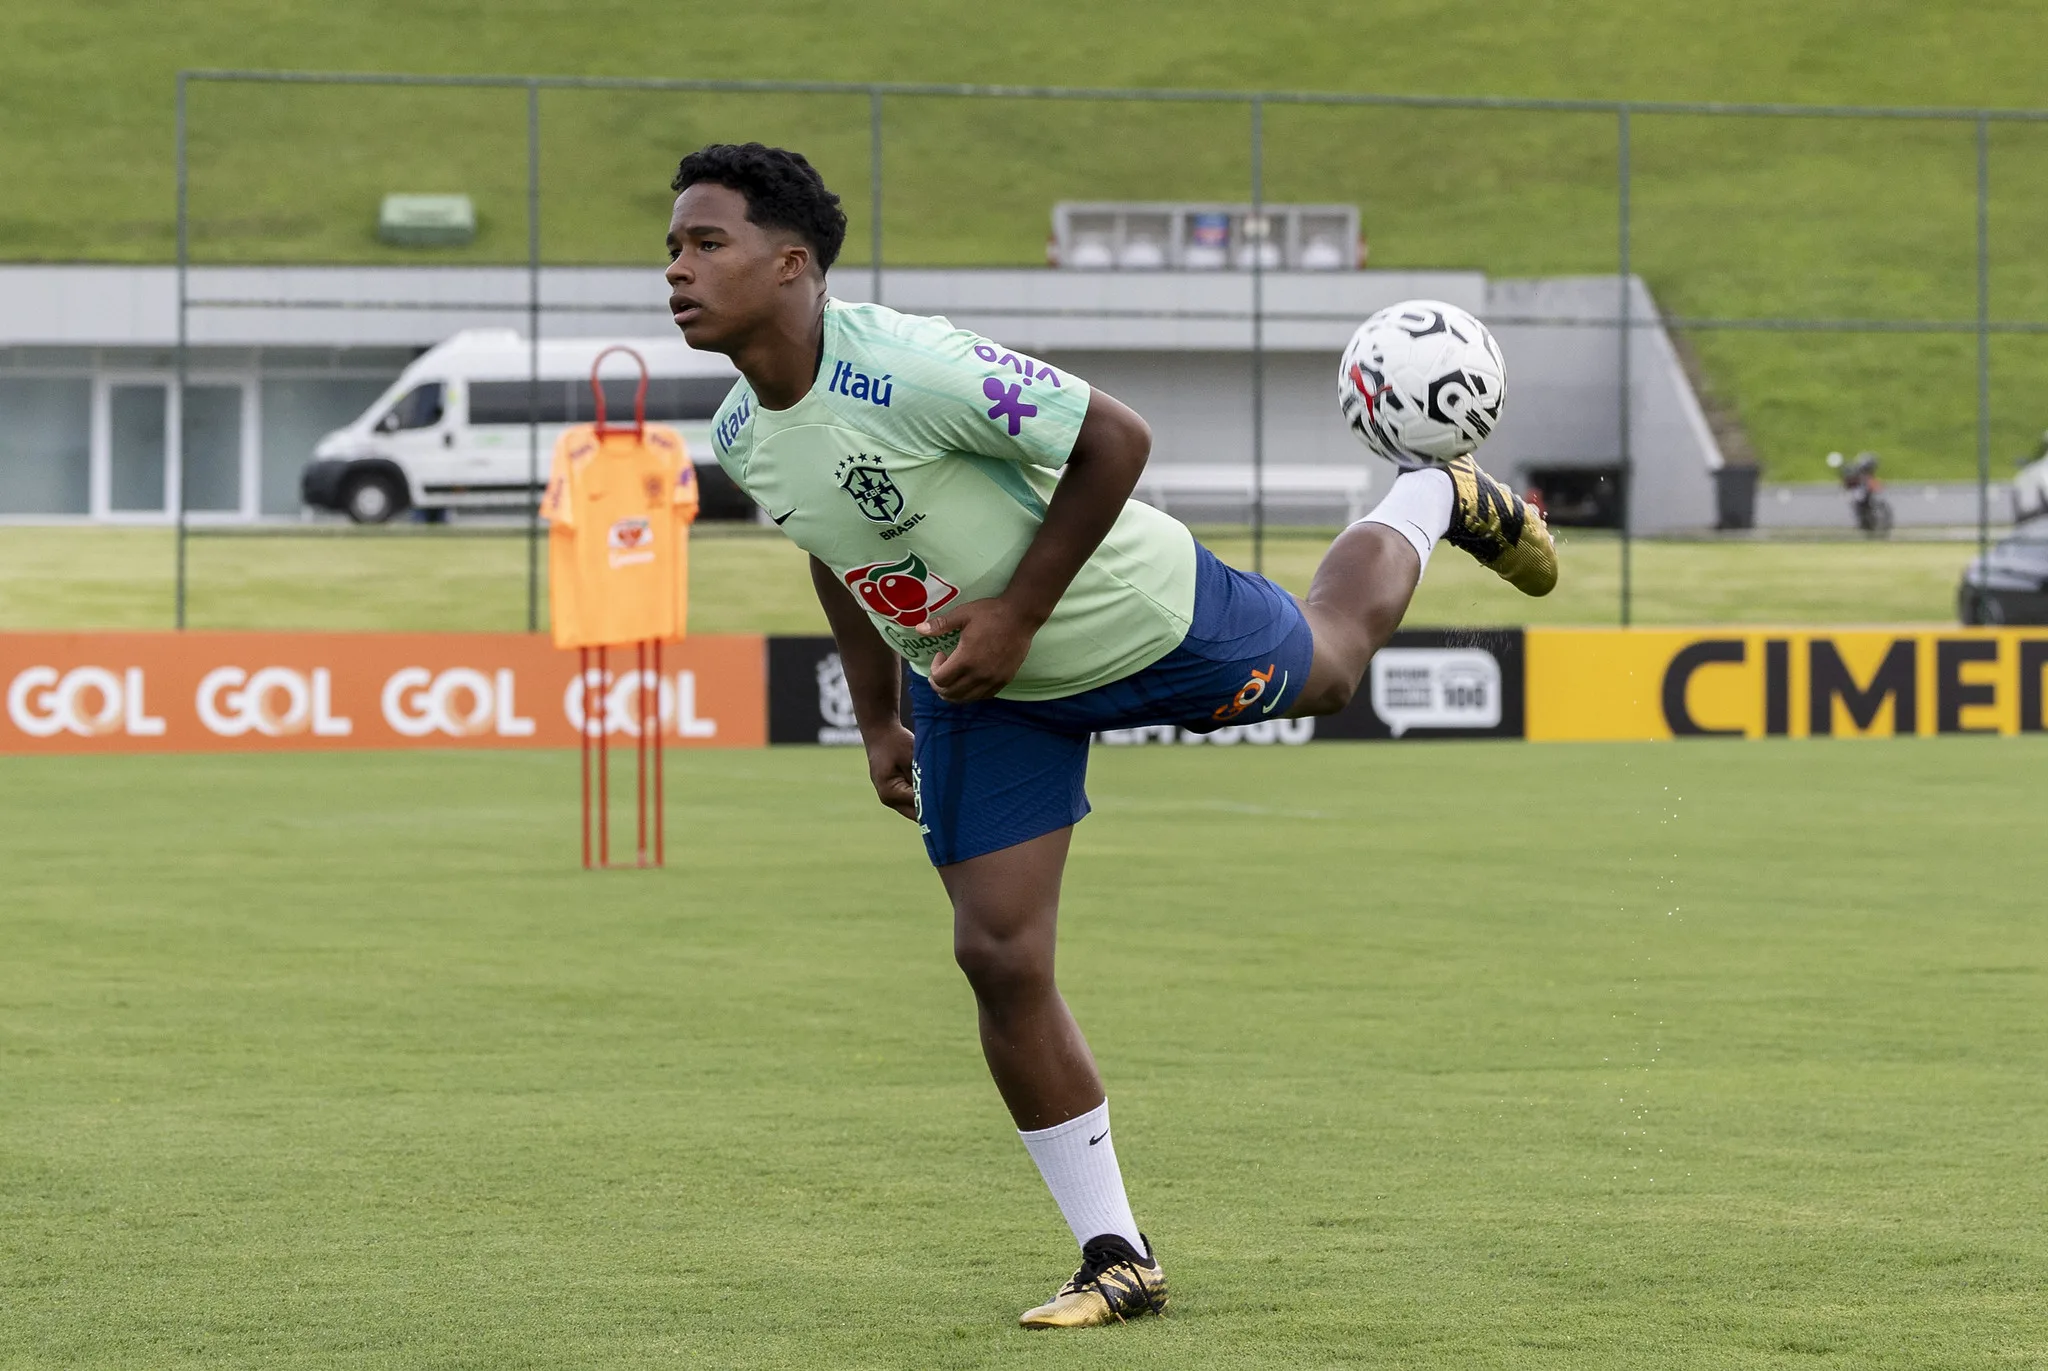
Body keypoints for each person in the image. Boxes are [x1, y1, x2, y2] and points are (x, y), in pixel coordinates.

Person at [664, 142, 1557, 1329]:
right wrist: (877, 714)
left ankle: (1434, 494)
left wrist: (1021, 611)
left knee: (1333, 665)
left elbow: (1116, 440)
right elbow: (834, 548)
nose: (674, 269)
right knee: (996, 955)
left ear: (790, 265)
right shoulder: (740, 432)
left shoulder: (909, 366)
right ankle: (1114, 1254)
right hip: (982, 688)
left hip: (1136, 613)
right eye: (671, 247)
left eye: (702, 243)